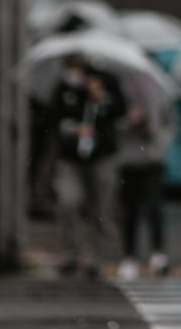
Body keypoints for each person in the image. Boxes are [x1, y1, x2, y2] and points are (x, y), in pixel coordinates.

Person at [50, 58, 126, 277]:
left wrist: (100, 98)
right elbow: (53, 118)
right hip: (71, 158)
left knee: (101, 206)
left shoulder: (107, 82)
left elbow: (119, 111)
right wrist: (73, 129)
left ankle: (99, 256)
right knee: (69, 202)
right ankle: (71, 252)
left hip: (101, 156)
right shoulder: (63, 87)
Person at [116, 83, 173, 281]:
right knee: (130, 210)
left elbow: (169, 125)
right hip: (129, 160)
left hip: (152, 159)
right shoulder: (121, 91)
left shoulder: (160, 92)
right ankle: (129, 256)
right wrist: (129, 121)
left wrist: (153, 129)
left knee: (154, 206)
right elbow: (113, 124)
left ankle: (158, 253)